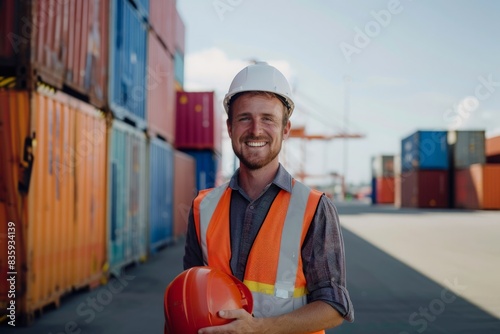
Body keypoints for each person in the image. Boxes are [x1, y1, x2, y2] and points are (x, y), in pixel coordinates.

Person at [183, 61, 354, 334]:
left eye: (268, 119)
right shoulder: (202, 207)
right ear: (229, 128)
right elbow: (189, 294)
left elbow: (334, 306)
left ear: (285, 129)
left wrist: (260, 328)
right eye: (244, 118)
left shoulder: (314, 207)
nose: (255, 130)